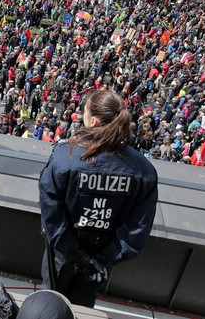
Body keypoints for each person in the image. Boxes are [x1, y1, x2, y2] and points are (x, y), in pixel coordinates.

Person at [38, 90, 158, 307]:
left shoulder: (65, 158)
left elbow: (51, 213)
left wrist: (75, 253)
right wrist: (100, 259)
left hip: (63, 255)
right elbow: (137, 229)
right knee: (83, 306)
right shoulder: (144, 171)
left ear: (92, 121)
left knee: (51, 303)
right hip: (103, 256)